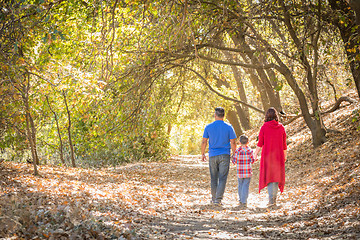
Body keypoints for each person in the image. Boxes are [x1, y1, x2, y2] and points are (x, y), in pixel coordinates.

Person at [201, 107, 237, 206]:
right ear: (223, 116)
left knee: (213, 177)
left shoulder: (208, 127)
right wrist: (234, 154)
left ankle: (213, 198)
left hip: (212, 155)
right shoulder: (229, 127)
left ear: (215, 115)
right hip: (225, 155)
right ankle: (218, 200)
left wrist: (203, 153)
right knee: (222, 178)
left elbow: (204, 141)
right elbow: (233, 142)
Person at [254, 107, 287, 207]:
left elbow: (260, 143)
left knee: (269, 176)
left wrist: (255, 154)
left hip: (267, 156)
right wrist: (285, 156)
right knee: (276, 177)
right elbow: (284, 144)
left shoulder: (264, 127)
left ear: (267, 116)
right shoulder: (281, 127)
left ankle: (271, 200)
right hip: (278, 156)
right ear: (276, 116)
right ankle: (273, 200)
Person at [232, 135, 255, 209]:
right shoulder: (249, 150)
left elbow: (234, 161)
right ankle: (244, 201)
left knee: (240, 185)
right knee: (246, 186)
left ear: (239, 142)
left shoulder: (237, 151)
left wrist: (232, 158)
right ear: (248, 142)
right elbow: (252, 160)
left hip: (240, 171)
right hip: (247, 171)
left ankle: (241, 200)